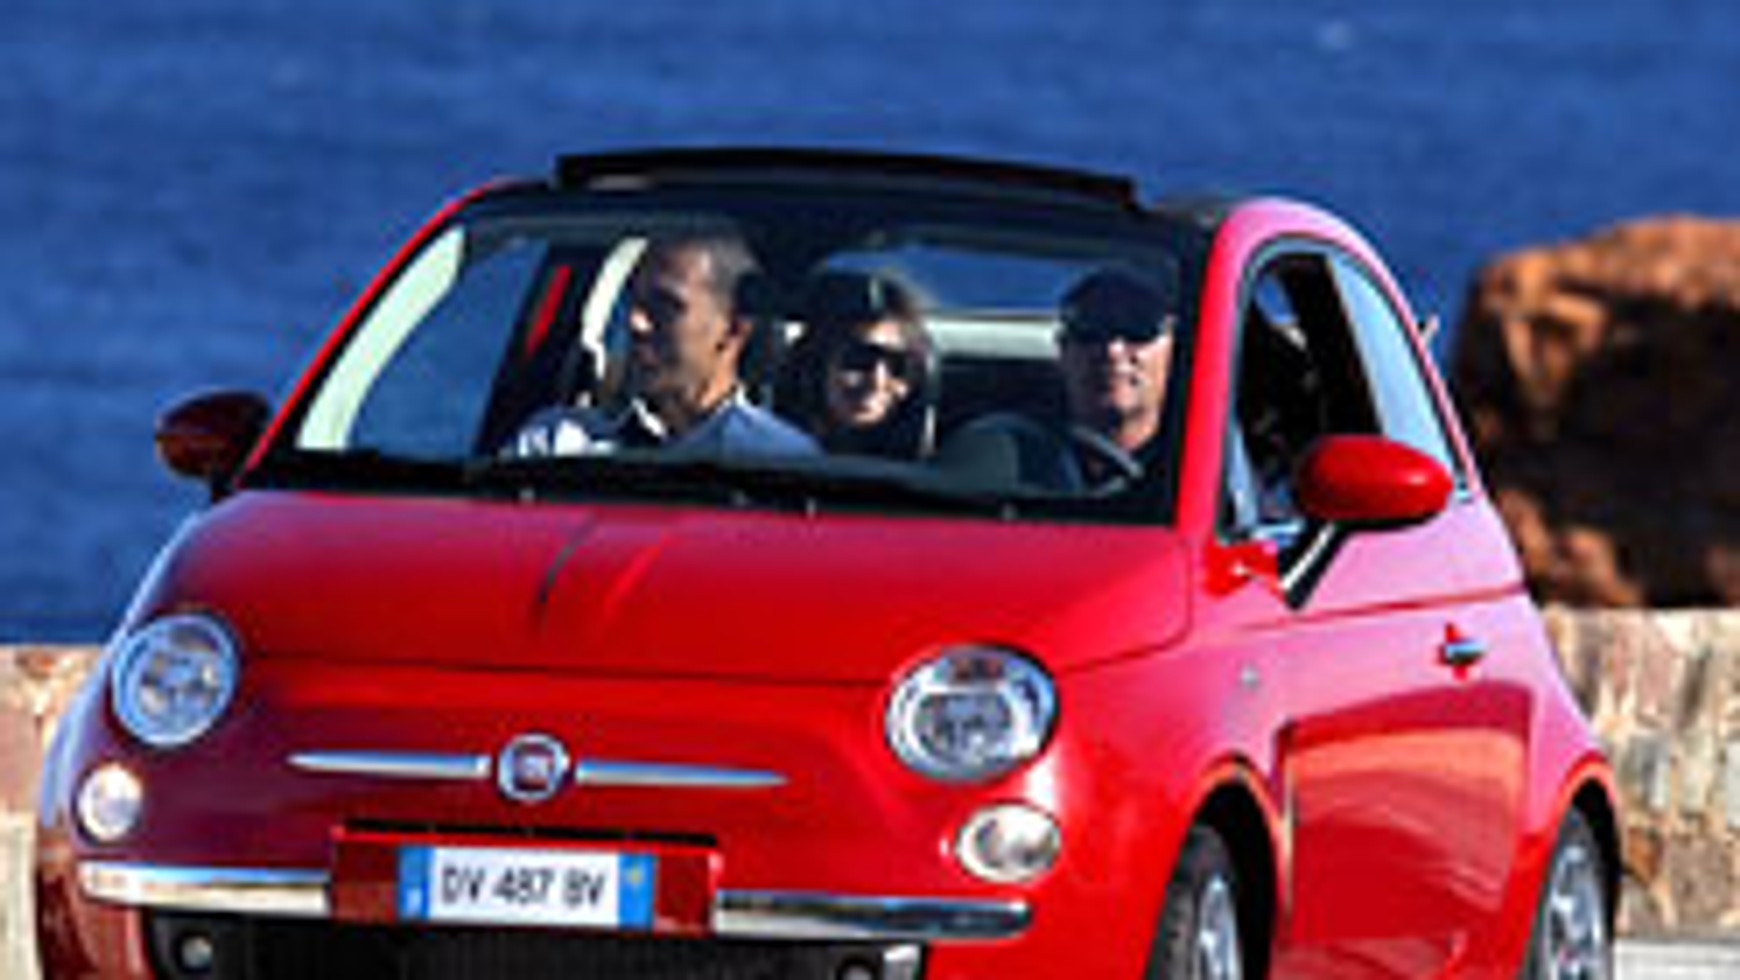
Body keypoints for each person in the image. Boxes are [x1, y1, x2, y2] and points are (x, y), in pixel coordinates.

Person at [512, 235, 818, 458]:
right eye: (633, 300)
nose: (636, 322)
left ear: (734, 328)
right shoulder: (555, 443)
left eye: (665, 306)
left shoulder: (778, 460)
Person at [778, 271, 934, 458]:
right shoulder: (768, 451)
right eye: (859, 360)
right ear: (816, 366)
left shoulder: (939, 470)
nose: (877, 381)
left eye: (898, 367)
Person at [1055, 266, 1179, 485]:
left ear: (1174, 351)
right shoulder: (1017, 460)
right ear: (1063, 351)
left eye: (1137, 328)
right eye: (1091, 330)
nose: (1112, 351)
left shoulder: (1208, 464)